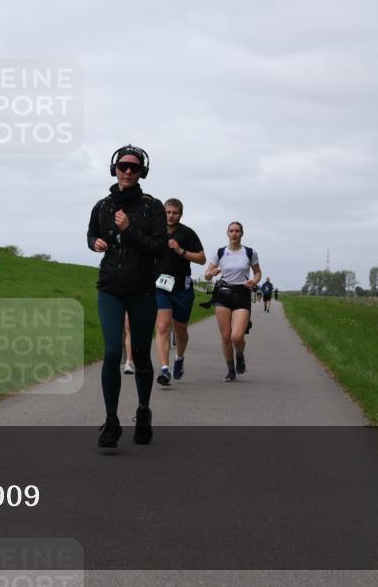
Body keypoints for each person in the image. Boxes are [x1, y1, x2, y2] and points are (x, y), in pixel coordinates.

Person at [87, 145, 168, 447]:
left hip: (143, 289)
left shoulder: (153, 207)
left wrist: (130, 229)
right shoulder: (103, 206)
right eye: (124, 166)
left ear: (142, 172)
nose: (129, 171)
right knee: (111, 353)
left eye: (135, 167)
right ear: (115, 169)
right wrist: (94, 242)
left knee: (143, 355)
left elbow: (159, 247)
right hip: (110, 287)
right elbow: (91, 233)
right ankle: (111, 420)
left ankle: (144, 410)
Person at [153, 198, 206, 385]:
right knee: (162, 326)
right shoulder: (156, 231)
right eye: (167, 212)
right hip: (161, 286)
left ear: (181, 214)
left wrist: (181, 251)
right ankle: (164, 369)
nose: (170, 215)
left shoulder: (187, 233)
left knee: (181, 331)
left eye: (174, 212)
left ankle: (180, 358)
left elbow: (201, 258)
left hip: (182, 288)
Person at [204, 222, 261, 382]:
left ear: (242, 233)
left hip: (242, 294)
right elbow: (207, 274)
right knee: (226, 336)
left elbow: (257, 273)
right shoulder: (220, 252)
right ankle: (230, 369)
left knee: (237, 336)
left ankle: (240, 355)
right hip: (223, 293)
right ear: (227, 233)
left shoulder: (249, 252)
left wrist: (254, 281)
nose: (234, 233)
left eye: (237, 231)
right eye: (231, 231)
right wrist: (211, 273)